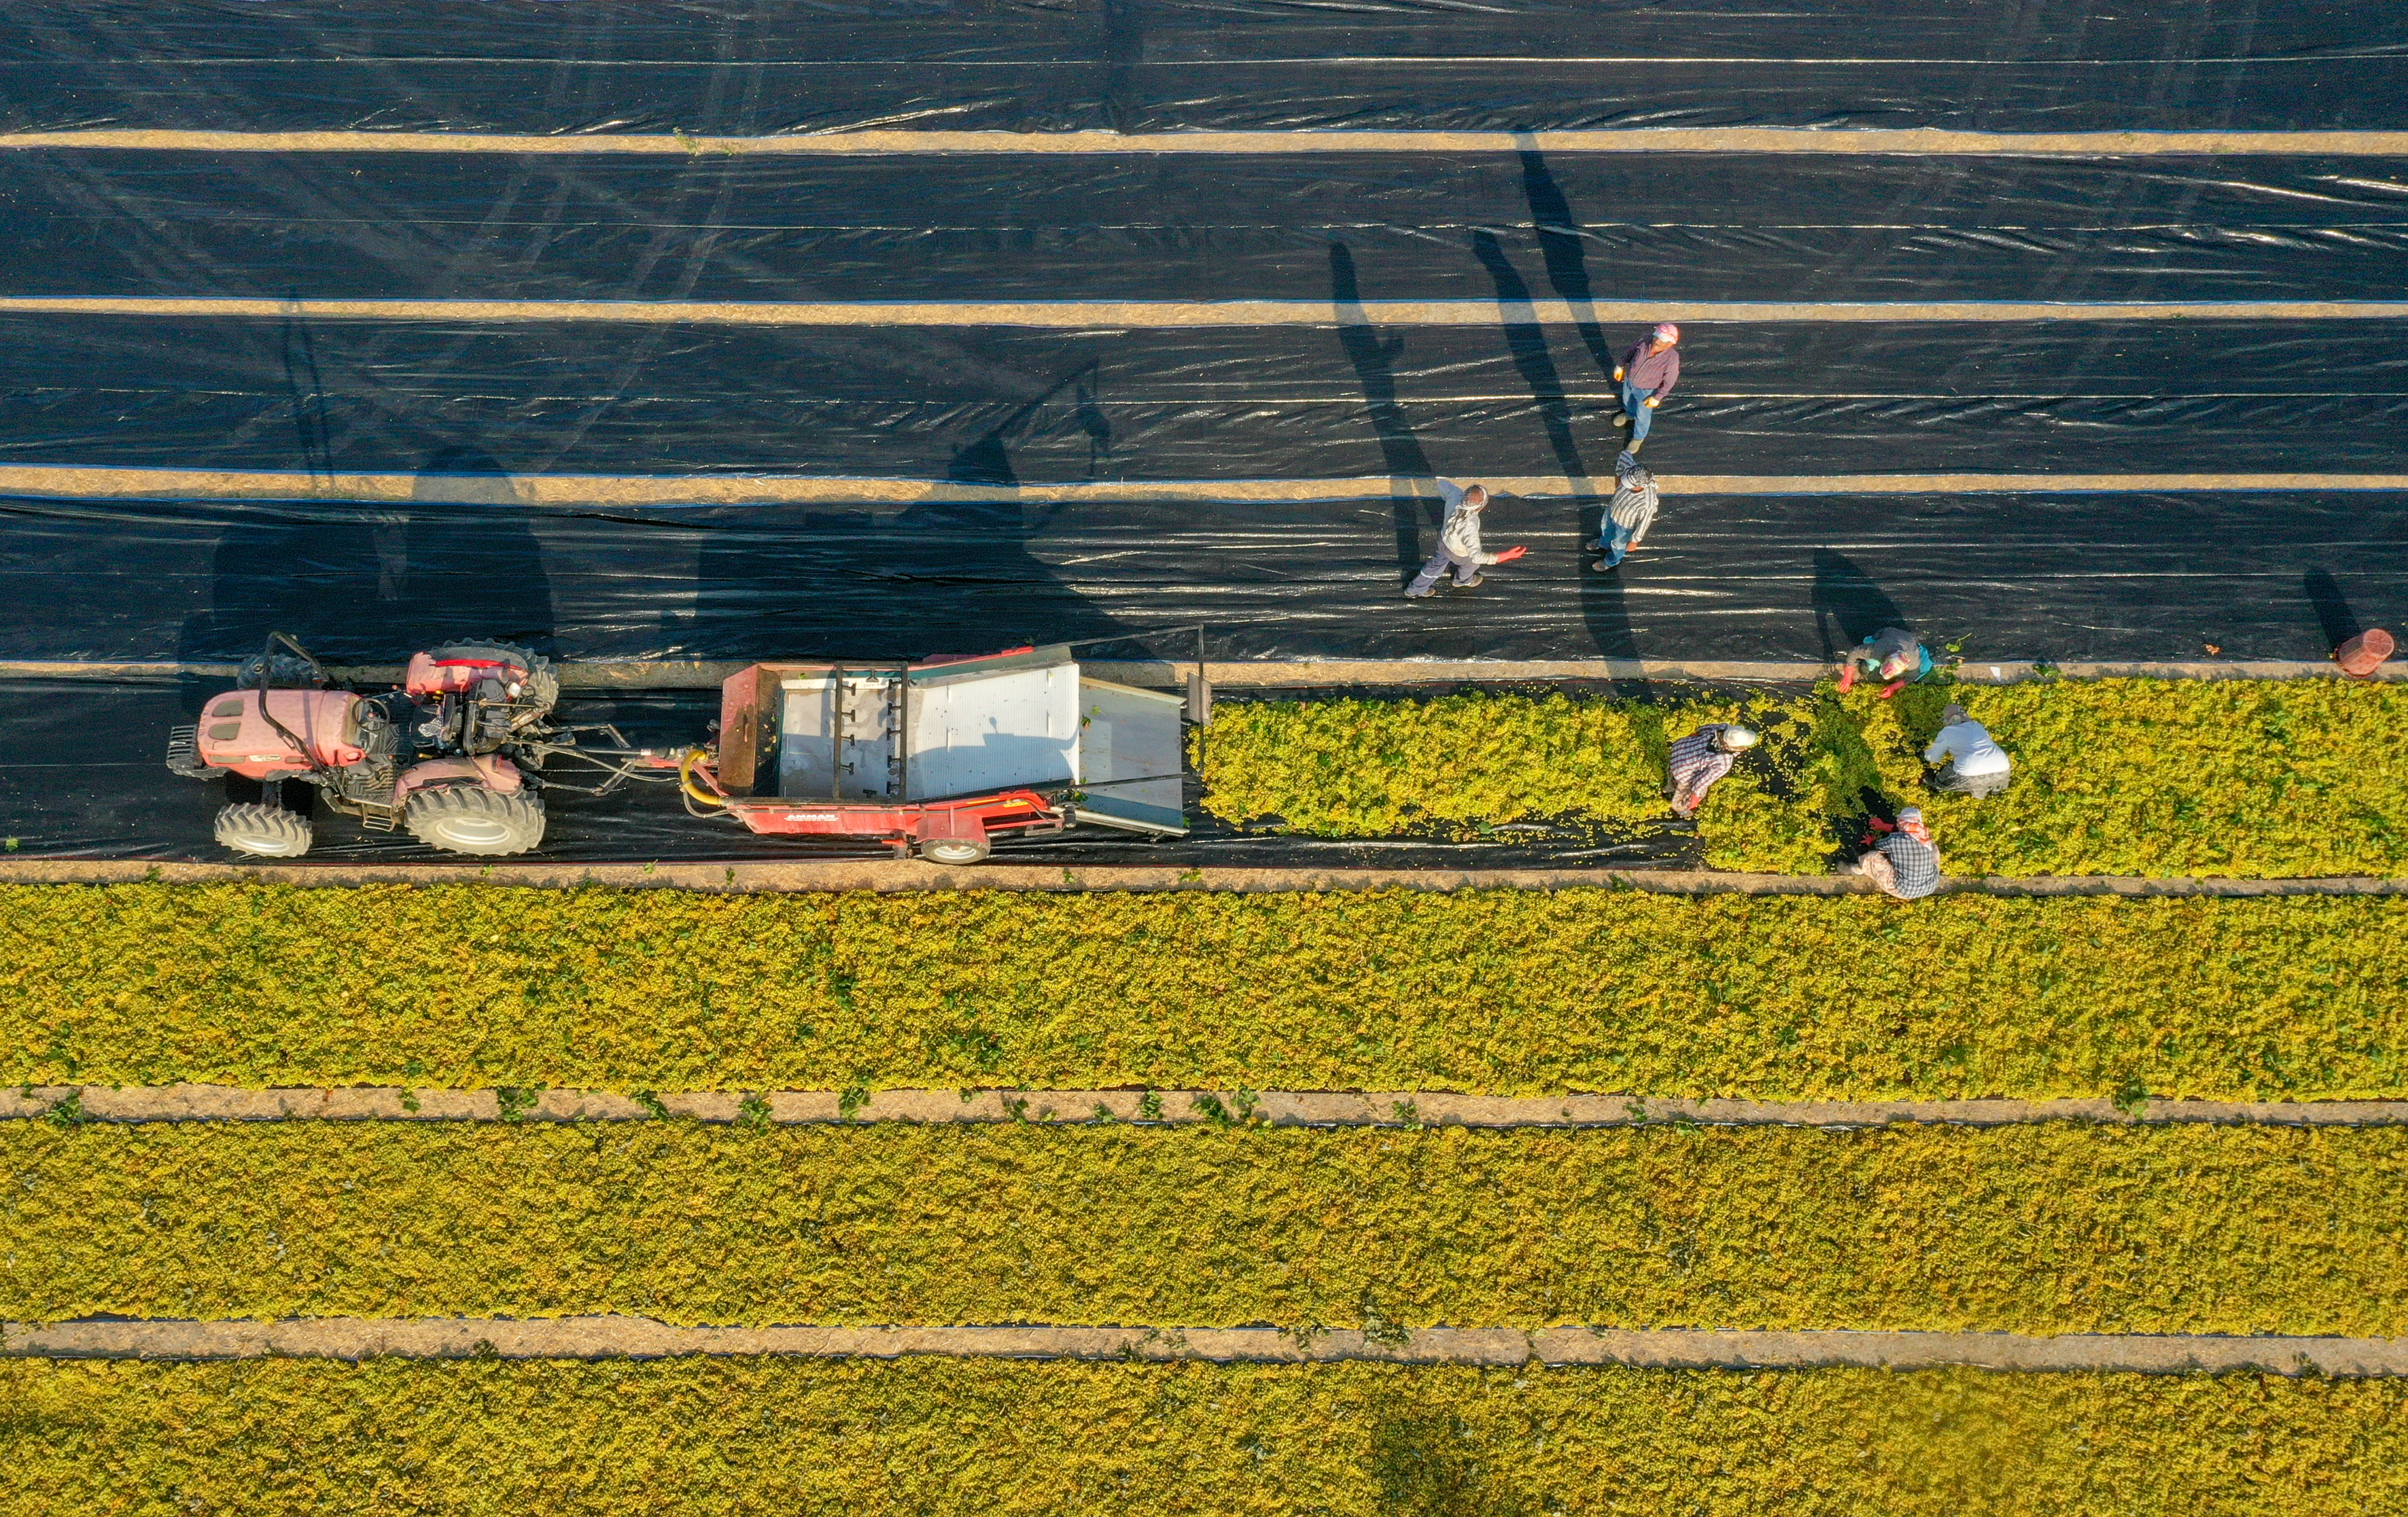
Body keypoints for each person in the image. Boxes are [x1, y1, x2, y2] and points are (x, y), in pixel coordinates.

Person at [1404, 480, 1525, 598]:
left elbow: (1442, 484)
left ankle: (1414, 590)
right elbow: (1477, 557)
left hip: (1444, 541)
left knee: (1435, 566)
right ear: (1481, 506)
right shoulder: (1470, 526)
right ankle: (1461, 581)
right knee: (1471, 565)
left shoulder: (1455, 495)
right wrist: (1506, 556)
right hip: (1459, 552)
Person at [1663, 722, 1758, 817]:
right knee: (1697, 791)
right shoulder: (1724, 763)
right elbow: (1699, 783)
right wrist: (1695, 798)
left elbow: (1701, 730)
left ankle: (1670, 777)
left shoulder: (1723, 727)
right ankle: (1680, 807)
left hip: (1680, 746)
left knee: (1687, 763)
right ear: (1740, 748)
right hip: (1681, 770)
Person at [1612, 323, 1681, 453]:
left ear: (1670, 344)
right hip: (1629, 381)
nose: (1657, 341)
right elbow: (1630, 352)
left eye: (1663, 340)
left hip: (1647, 391)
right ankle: (1629, 415)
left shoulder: (1672, 359)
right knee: (1628, 401)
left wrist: (1658, 397)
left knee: (1643, 415)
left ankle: (1638, 437)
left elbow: (1670, 380)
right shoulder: (1644, 340)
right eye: (1657, 336)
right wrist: (1621, 365)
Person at [1849, 806, 1942, 900]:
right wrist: (1883, 826)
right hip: (1930, 886)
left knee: (1872, 857)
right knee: (1933, 848)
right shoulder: (1925, 836)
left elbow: (1876, 846)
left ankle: (1859, 869)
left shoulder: (1895, 840)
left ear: (1901, 823)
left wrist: (1871, 841)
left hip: (1903, 890)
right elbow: (1906, 831)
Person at [1924, 703, 2013, 799]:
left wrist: (1926, 754)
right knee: (1983, 767)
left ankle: (1938, 785)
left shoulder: (1947, 732)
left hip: (1969, 767)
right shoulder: (1977, 726)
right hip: (2001, 765)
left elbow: (1933, 757)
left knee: (1945, 779)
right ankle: (1994, 789)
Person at [1588, 458, 1658, 571]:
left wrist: (1634, 541)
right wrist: (1618, 478)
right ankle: (1603, 544)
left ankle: (1610, 561)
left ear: (1641, 486)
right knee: (1606, 529)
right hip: (1612, 511)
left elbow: (1644, 523)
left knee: (1619, 545)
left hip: (1626, 526)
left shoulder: (1647, 502)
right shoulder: (1630, 469)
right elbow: (1624, 457)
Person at [1836, 627, 1933, 697]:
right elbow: (1853, 653)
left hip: (1910, 642)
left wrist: (1892, 688)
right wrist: (1848, 678)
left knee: (1925, 667)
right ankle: (1867, 667)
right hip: (1887, 634)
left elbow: (1912, 676)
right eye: (1887, 668)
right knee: (1870, 662)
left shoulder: (1913, 663)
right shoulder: (1878, 649)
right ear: (1887, 660)